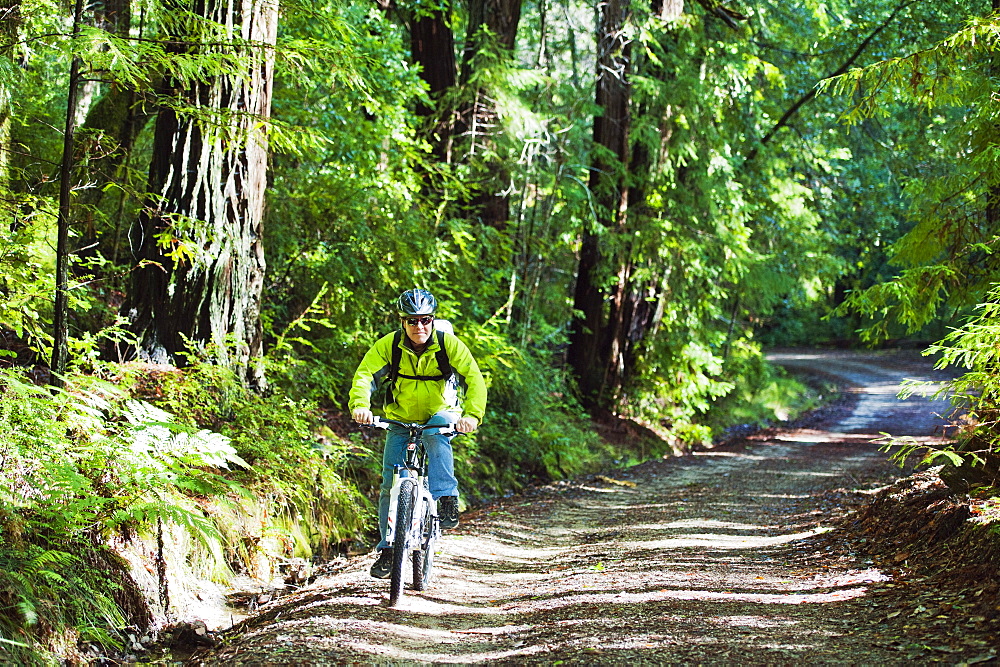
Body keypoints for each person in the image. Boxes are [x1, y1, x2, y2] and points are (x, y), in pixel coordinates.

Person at [349, 288, 487, 579]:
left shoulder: (449, 345)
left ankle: (447, 497)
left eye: (425, 320)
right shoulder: (390, 345)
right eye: (412, 321)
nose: (419, 327)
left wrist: (472, 416)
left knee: (436, 435)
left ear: (433, 320)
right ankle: (389, 549)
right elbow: (365, 375)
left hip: (441, 412)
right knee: (390, 483)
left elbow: (474, 378)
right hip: (400, 418)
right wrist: (361, 406)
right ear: (402, 322)